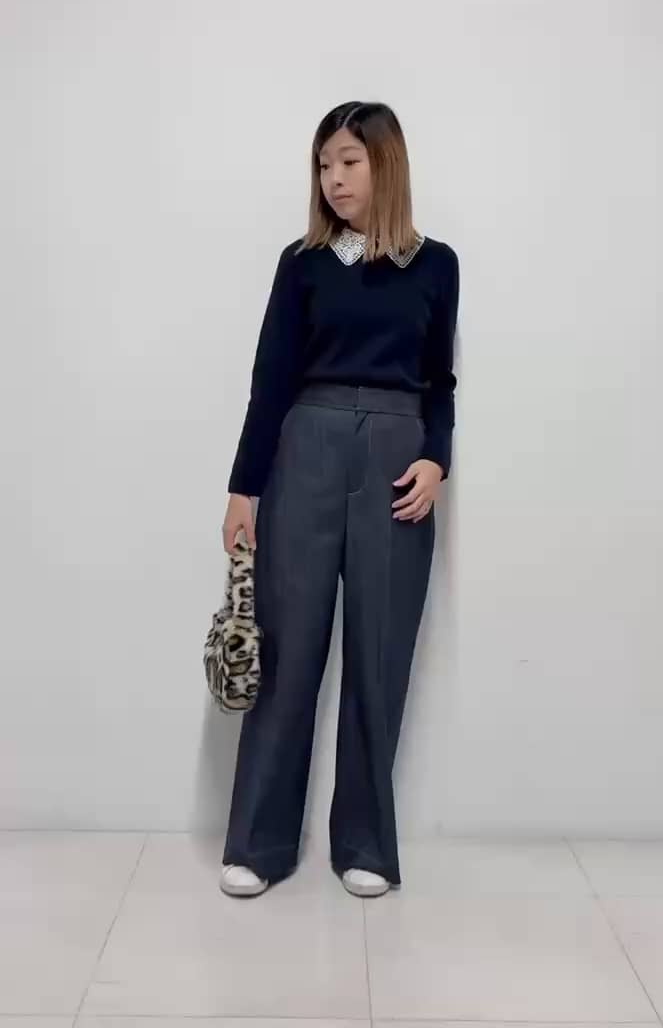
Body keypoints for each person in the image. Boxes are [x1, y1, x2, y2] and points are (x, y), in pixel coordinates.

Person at [220, 100, 459, 898]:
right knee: (287, 648)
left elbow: (440, 381)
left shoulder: (436, 264)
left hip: (398, 459)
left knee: (378, 653)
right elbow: (270, 377)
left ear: (386, 164)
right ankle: (259, 845)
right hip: (307, 447)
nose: (334, 178)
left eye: (349, 161)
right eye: (324, 164)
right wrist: (244, 487)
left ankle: (365, 845)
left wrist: (436, 459)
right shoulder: (304, 262)